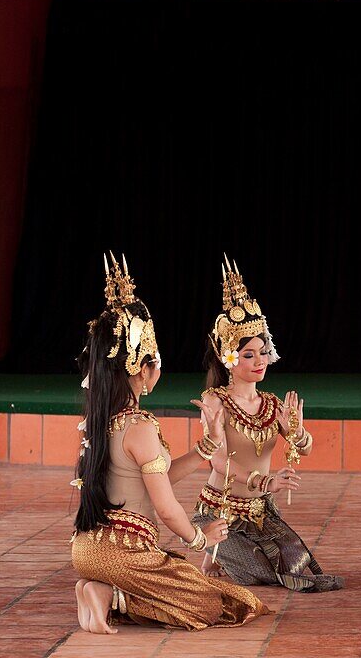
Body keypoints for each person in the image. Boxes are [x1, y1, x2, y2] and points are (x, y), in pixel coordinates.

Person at [71, 253, 269, 633]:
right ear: (141, 370)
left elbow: (159, 479)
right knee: (220, 603)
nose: (159, 369)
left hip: (87, 547)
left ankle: (100, 587)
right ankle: (109, 595)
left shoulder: (102, 420)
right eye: (156, 360)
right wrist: (199, 537)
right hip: (123, 554)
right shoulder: (141, 426)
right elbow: (165, 507)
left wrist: (206, 447)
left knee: (190, 583)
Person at [194, 256, 343, 592]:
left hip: (261, 511)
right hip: (220, 510)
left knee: (298, 565)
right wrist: (266, 480)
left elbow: (304, 448)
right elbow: (217, 460)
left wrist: (297, 433)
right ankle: (215, 548)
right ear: (228, 358)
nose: (259, 361)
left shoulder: (272, 404)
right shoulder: (216, 401)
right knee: (259, 572)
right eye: (248, 355)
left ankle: (221, 554)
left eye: (262, 352)